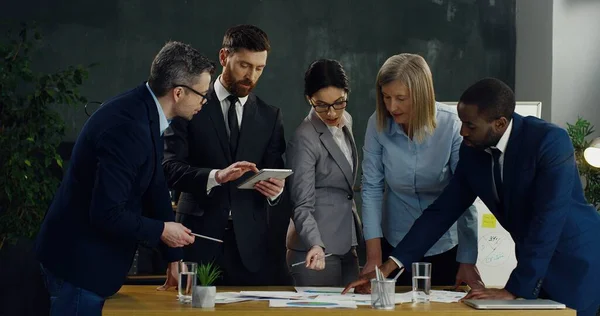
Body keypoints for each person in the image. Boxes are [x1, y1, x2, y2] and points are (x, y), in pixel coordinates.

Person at [344, 78, 600, 316]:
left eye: (470, 125)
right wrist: (389, 266)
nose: (462, 132)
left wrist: (514, 289)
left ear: (499, 123)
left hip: (575, 263)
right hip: (533, 263)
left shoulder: (550, 142)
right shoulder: (473, 151)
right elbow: (442, 212)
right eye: (461, 122)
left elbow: (547, 220)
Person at [35, 41, 214, 315]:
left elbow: (155, 185)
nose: (204, 101)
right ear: (178, 92)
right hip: (79, 266)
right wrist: (163, 231)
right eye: (203, 94)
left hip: (89, 263)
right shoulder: (128, 129)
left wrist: (174, 257)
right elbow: (106, 212)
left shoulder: (146, 110)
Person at [163, 24, 286, 286]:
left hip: (251, 250)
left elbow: (275, 171)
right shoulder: (189, 102)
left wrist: (276, 191)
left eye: (259, 68)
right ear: (223, 57)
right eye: (244, 65)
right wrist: (216, 176)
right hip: (196, 240)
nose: (251, 75)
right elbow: (169, 167)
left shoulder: (270, 116)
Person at [360, 53, 482, 287]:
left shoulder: (454, 126)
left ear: (422, 95)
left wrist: (468, 260)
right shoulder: (377, 124)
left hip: (445, 243)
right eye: (386, 97)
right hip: (394, 240)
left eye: (400, 98)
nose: (392, 106)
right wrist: (374, 257)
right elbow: (371, 189)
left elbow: (464, 196)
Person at [285, 59, 363, 286]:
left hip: (349, 243)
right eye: (321, 105)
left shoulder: (346, 120)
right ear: (309, 99)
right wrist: (315, 244)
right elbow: (301, 204)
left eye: (339, 103)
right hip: (315, 250)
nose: (331, 113)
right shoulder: (304, 138)